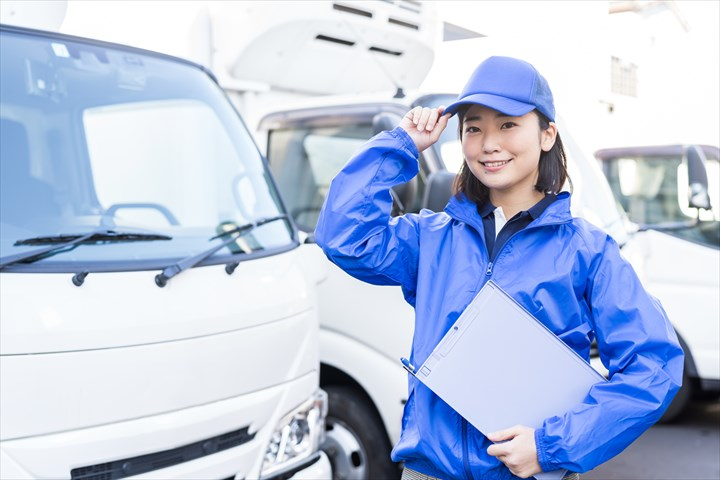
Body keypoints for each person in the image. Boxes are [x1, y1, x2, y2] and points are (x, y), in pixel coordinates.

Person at [314, 56, 683, 480]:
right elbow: (342, 233)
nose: (488, 143)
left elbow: (654, 366)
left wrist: (549, 447)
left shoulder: (588, 251)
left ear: (547, 134)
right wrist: (402, 143)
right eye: (474, 127)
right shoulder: (431, 239)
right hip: (428, 472)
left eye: (508, 124)